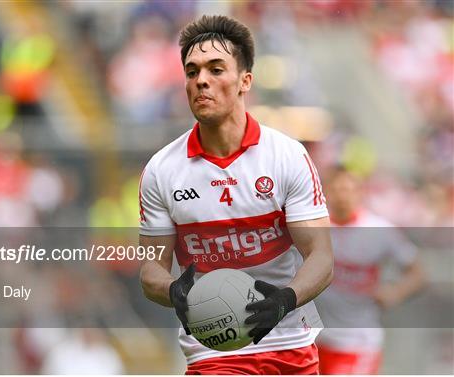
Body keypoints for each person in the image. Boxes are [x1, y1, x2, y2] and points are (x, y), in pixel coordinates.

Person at [138, 15, 333, 375]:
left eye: (215, 69)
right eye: (192, 72)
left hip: (289, 344)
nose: (201, 82)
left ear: (245, 81)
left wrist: (284, 300)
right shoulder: (162, 170)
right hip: (212, 348)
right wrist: (174, 292)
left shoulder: (286, 156)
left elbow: (320, 257)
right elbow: (151, 269)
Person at [314, 166, 425, 374]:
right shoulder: (314, 228)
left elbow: (417, 272)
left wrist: (396, 292)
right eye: (336, 190)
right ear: (325, 192)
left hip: (359, 342)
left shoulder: (379, 230)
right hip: (317, 339)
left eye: (348, 189)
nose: (342, 196)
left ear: (360, 192)